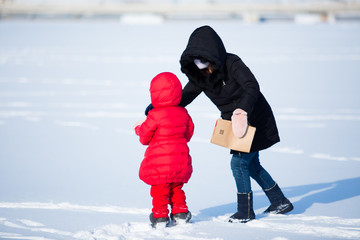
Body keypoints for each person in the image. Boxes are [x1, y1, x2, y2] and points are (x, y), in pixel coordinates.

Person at [146, 25, 293, 223]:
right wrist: (159, 106)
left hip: (254, 116)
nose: (205, 69)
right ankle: (279, 201)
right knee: (252, 165)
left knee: (239, 164)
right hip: (233, 122)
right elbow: (186, 95)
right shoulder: (200, 76)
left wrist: (242, 111)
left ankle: (246, 211)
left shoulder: (232, 63)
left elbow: (252, 86)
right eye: (198, 64)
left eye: (206, 63)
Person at [135, 72, 194, 228]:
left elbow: (144, 138)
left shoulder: (154, 115)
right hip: (180, 161)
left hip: (160, 163)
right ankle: (180, 214)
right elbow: (188, 134)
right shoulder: (183, 113)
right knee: (176, 188)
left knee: (160, 191)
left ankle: (160, 217)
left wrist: (139, 128)